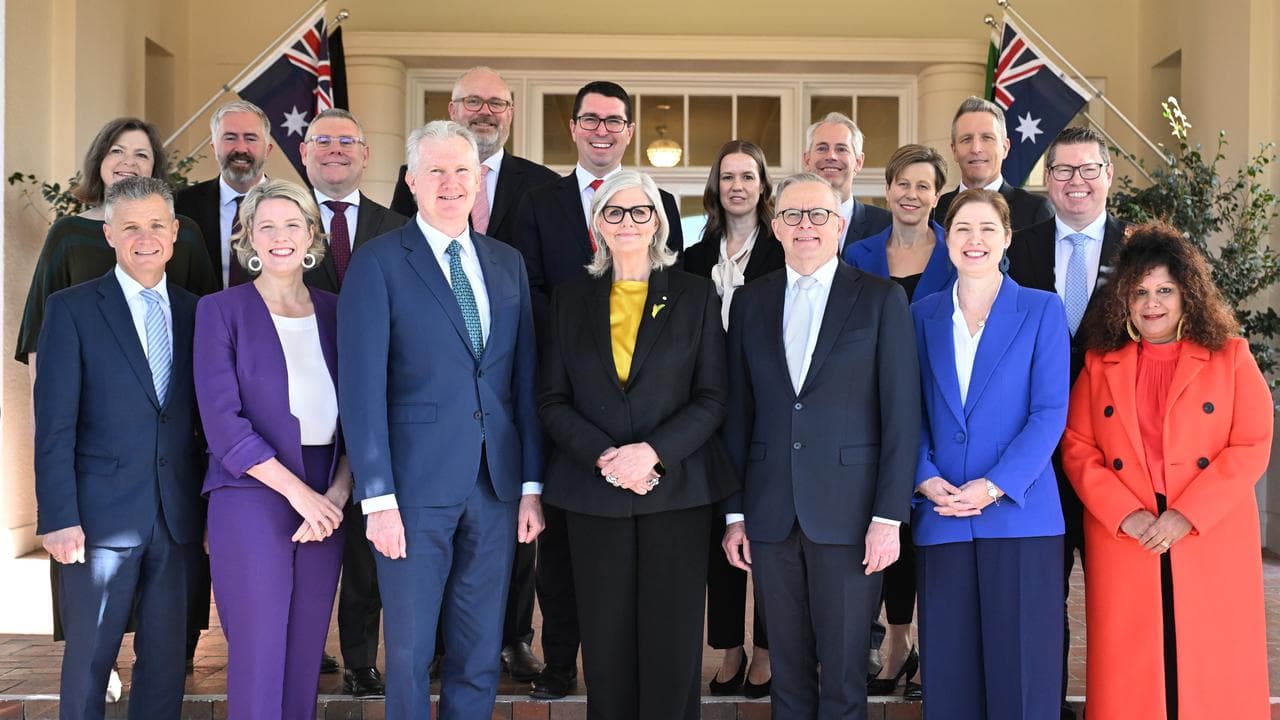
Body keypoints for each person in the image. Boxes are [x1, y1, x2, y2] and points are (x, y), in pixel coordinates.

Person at [337, 120, 544, 720]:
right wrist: (377, 498)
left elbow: (523, 381)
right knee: (409, 649)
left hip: (496, 485)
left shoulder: (506, 263)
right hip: (411, 489)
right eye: (436, 170)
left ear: (479, 179)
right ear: (411, 181)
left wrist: (531, 486)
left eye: (462, 170)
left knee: (479, 647)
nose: (450, 183)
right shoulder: (377, 263)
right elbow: (361, 390)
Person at [14, 116, 217, 699]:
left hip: (177, 520)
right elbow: (55, 425)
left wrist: (211, 514)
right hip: (97, 521)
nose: (144, 237)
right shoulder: (72, 310)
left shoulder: (198, 313)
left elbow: (208, 420)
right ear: (109, 235)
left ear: (175, 233)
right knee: (89, 663)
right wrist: (57, 516)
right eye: (130, 227)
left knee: (165, 668)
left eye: (156, 225)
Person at [722, 172, 920, 719]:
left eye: (818, 215)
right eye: (792, 215)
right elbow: (738, 414)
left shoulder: (880, 299)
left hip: (852, 516)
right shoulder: (750, 302)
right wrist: (735, 515)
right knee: (786, 671)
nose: (804, 225)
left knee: (844, 674)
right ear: (776, 227)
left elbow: (901, 417)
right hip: (770, 512)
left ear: (839, 225)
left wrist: (888, 517)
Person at [538, 170, 734, 720]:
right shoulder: (569, 299)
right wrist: (606, 457)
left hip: (676, 491)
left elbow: (713, 396)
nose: (628, 222)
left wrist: (651, 453)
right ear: (598, 224)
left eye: (640, 211)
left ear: (658, 224)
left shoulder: (696, 294)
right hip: (593, 493)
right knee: (605, 643)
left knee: (672, 644)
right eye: (615, 212)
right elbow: (551, 399)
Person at [512, 79, 683, 700]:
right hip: (570, 401)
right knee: (565, 565)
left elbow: (672, 298)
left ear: (629, 130)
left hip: (650, 418)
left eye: (614, 120)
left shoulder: (665, 209)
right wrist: (575, 337)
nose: (602, 130)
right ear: (574, 127)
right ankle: (560, 663)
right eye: (591, 119)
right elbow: (529, 289)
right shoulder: (539, 203)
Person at [1061, 223, 1273, 720]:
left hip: (1207, 532)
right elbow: (1077, 448)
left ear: (1187, 294)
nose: (1152, 303)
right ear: (1123, 299)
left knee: (1210, 663)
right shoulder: (1100, 363)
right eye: (1140, 292)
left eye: (1164, 291)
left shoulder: (1231, 357)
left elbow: (1250, 444)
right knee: (1133, 667)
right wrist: (1124, 514)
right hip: (1127, 535)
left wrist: (1187, 514)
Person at [389, 67, 559, 682]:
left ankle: (508, 648)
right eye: (472, 101)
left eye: (497, 102)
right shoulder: (390, 246)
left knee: (489, 613)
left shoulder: (527, 218)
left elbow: (526, 357)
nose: (451, 183)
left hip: (499, 452)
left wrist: (531, 477)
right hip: (422, 459)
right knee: (414, 634)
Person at [193, 179, 349, 719]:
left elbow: (361, 414)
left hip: (328, 495)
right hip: (250, 490)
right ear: (249, 237)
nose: (280, 236)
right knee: (259, 655)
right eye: (267, 226)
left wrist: (336, 494)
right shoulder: (221, 310)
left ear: (311, 234)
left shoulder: (337, 311)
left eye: (291, 225)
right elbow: (222, 423)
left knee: (305, 655)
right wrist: (301, 495)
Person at [911, 188, 1069, 719]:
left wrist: (996, 484)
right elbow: (906, 409)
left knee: (1021, 679)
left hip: (1020, 516)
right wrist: (923, 475)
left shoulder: (1042, 309)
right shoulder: (920, 314)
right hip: (942, 512)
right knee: (949, 678)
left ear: (1006, 238)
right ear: (946, 239)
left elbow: (1049, 413)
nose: (973, 239)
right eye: (962, 229)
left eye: (986, 229)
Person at [1007, 125, 1128, 720]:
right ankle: (1046, 708)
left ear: (1109, 176)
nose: (1076, 181)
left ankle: (1118, 705)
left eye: (1088, 169)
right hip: (1039, 458)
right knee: (1039, 596)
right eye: (1062, 170)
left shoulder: (1140, 251)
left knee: (1118, 596)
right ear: (1047, 180)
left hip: (1118, 460)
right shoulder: (1018, 249)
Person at [299, 107, 408, 698]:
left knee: (368, 541)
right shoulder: (279, 222)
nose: (336, 149)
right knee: (305, 530)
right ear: (304, 153)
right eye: (323, 140)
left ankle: (362, 660)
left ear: (366, 155)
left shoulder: (398, 228)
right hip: (300, 403)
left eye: (348, 141)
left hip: (383, 401)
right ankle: (303, 646)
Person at [842, 143, 954, 700]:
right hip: (870, 406)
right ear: (886, 189)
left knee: (929, 530)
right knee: (885, 523)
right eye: (903, 184)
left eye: (923, 186)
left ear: (938, 195)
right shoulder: (857, 253)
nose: (912, 194)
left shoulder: (958, 250)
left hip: (940, 404)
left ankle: (927, 648)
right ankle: (895, 641)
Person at [681, 140, 780, 697]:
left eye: (747, 176)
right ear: (715, 187)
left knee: (764, 531)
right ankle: (728, 647)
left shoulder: (782, 251)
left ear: (762, 186)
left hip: (766, 410)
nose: (737, 186)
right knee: (717, 534)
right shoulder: (695, 257)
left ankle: (765, 649)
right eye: (728, 177)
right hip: (708, 412)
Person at [176, 99, 274, 291]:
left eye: (251, 138)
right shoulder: (182, 204)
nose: (241, 148)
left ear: (267, 150)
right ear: (214, 147)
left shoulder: (294, 205)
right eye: (230, 138)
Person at [933, 96, 1054, 231]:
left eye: (987, 138)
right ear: (954, 150)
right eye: (966, 139)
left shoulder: (1035, 211)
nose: (976, 149)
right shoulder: (934, 211)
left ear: (1005, 148)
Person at [801, 112, 891, 253]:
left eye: (841, 149)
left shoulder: (886, 226)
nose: (831, 156)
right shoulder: (789, 223)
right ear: (807, 160)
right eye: (822, 148)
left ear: (859, 162)